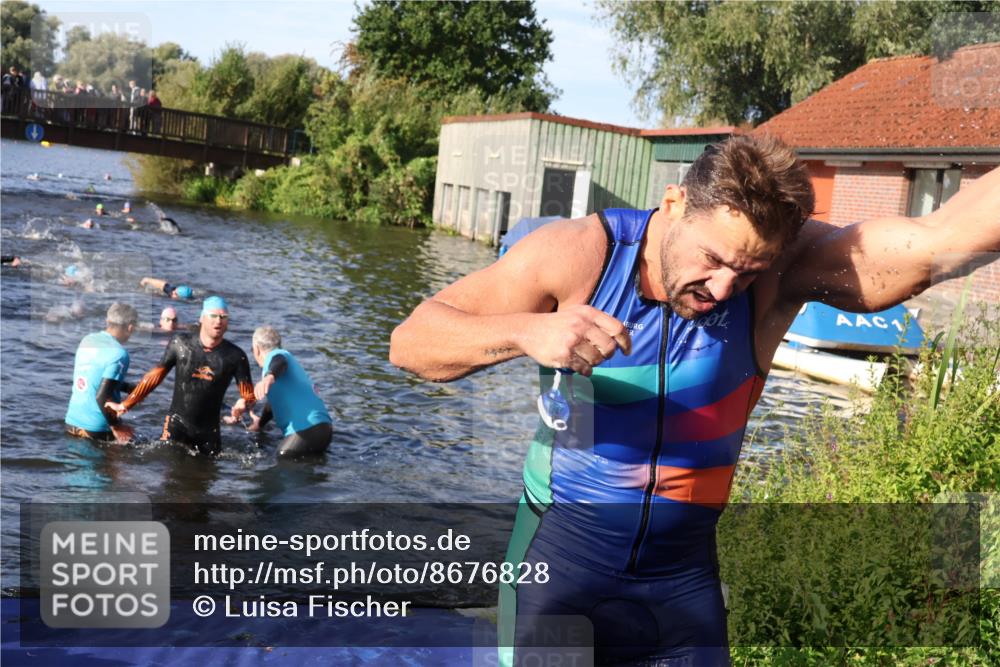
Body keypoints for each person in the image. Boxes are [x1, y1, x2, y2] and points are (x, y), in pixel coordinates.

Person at [389, 135, 1000, 666]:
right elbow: (412, 342)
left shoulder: (779, 275)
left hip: (680, 583)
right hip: (562, 563)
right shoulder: (578, 256)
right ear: (675, 203)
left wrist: (768, 271)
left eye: (749, 270)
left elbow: (936, 244)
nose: (724, 288)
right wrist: (527, 331)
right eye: (712, 260)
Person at [106, 296, 256, 456]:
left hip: (209, 431)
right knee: (170, 474)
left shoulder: (235, 356)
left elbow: (249, 396)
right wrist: (125, 405)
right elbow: (155, 376)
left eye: (223, 317)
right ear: (202, 318)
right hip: (176, 424)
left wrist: (244, 404)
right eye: (213, 315)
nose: (218, 321)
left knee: (205, 477)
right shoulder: (181, 344)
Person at [246, 326, 332, 457]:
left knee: (283, 459)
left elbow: (280, 362)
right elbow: (272, 404)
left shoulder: (276, 357)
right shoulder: (287, 364)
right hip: (324, 429)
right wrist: (260, 424)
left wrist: (269, 376)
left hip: (306, 430)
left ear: (256, 349)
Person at [65, 303, 138, 443]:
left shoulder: (87, 340)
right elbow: (102, 395)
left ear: (107, 321)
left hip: (72, 422)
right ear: (130, 327)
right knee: (119, 463)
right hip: (98, 428)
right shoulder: (119, 354)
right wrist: (116, 426)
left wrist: (127, 387)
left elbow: (95, 378)